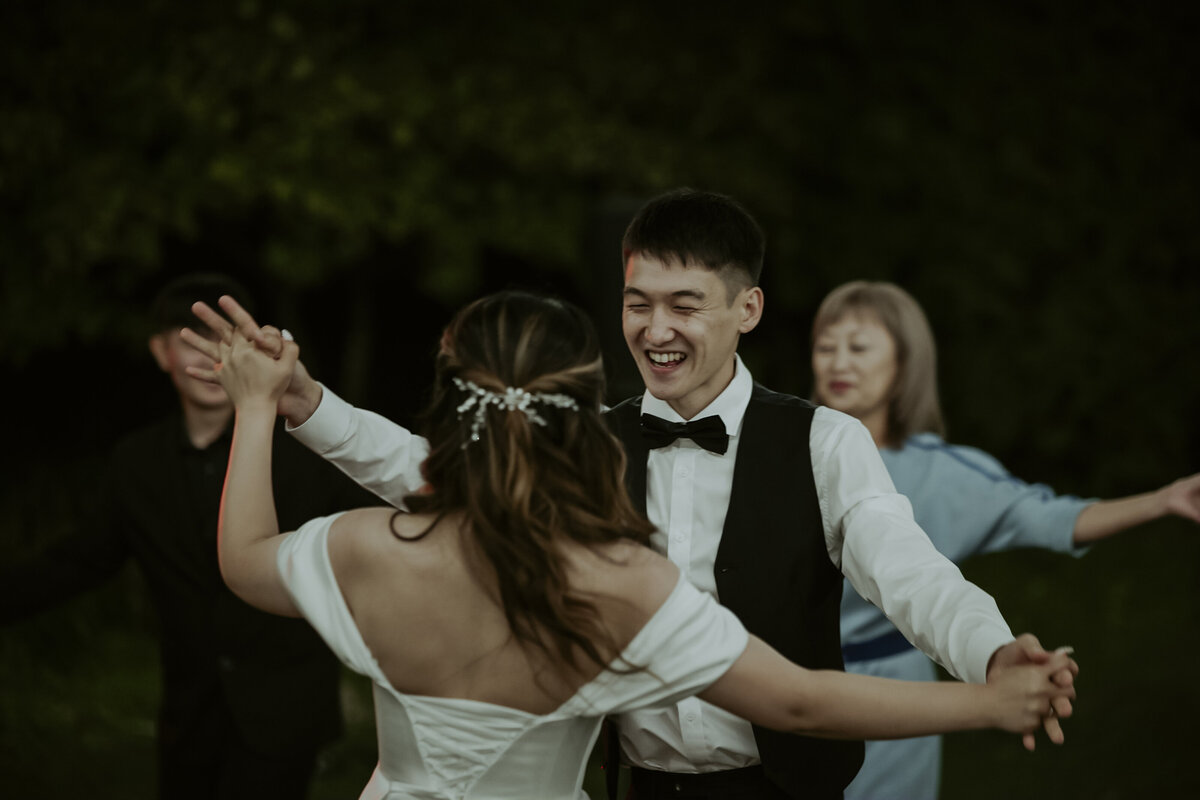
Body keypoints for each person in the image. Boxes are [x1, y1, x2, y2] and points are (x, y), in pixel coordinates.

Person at [190, 190, 1078, 800]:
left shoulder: (822, 439)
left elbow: (912, 575)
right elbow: (440, 466)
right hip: (636, 783)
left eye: (685, 305)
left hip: (782, 788)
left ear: (749, 309)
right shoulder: (578, 440)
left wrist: (989, 655)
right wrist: (308, 405)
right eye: (636, 302)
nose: (656, 330)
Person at [810, 279, 1200, 800]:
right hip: (791, 675)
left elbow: (1051, 517)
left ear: (905, 364)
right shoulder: (782, 451)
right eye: (825, 346)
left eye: (858, 347)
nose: (839, 363)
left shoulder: (946, 473)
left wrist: (1162, 500)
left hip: (895, 687)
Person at [0, 274, 374, 800]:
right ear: (160, 351)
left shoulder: (303, 452)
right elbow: (82, 560)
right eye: (188, 340)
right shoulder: (136, 461)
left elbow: (364, 544)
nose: (207, 360)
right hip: (189, 711)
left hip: (284, 711)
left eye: (224, 342)